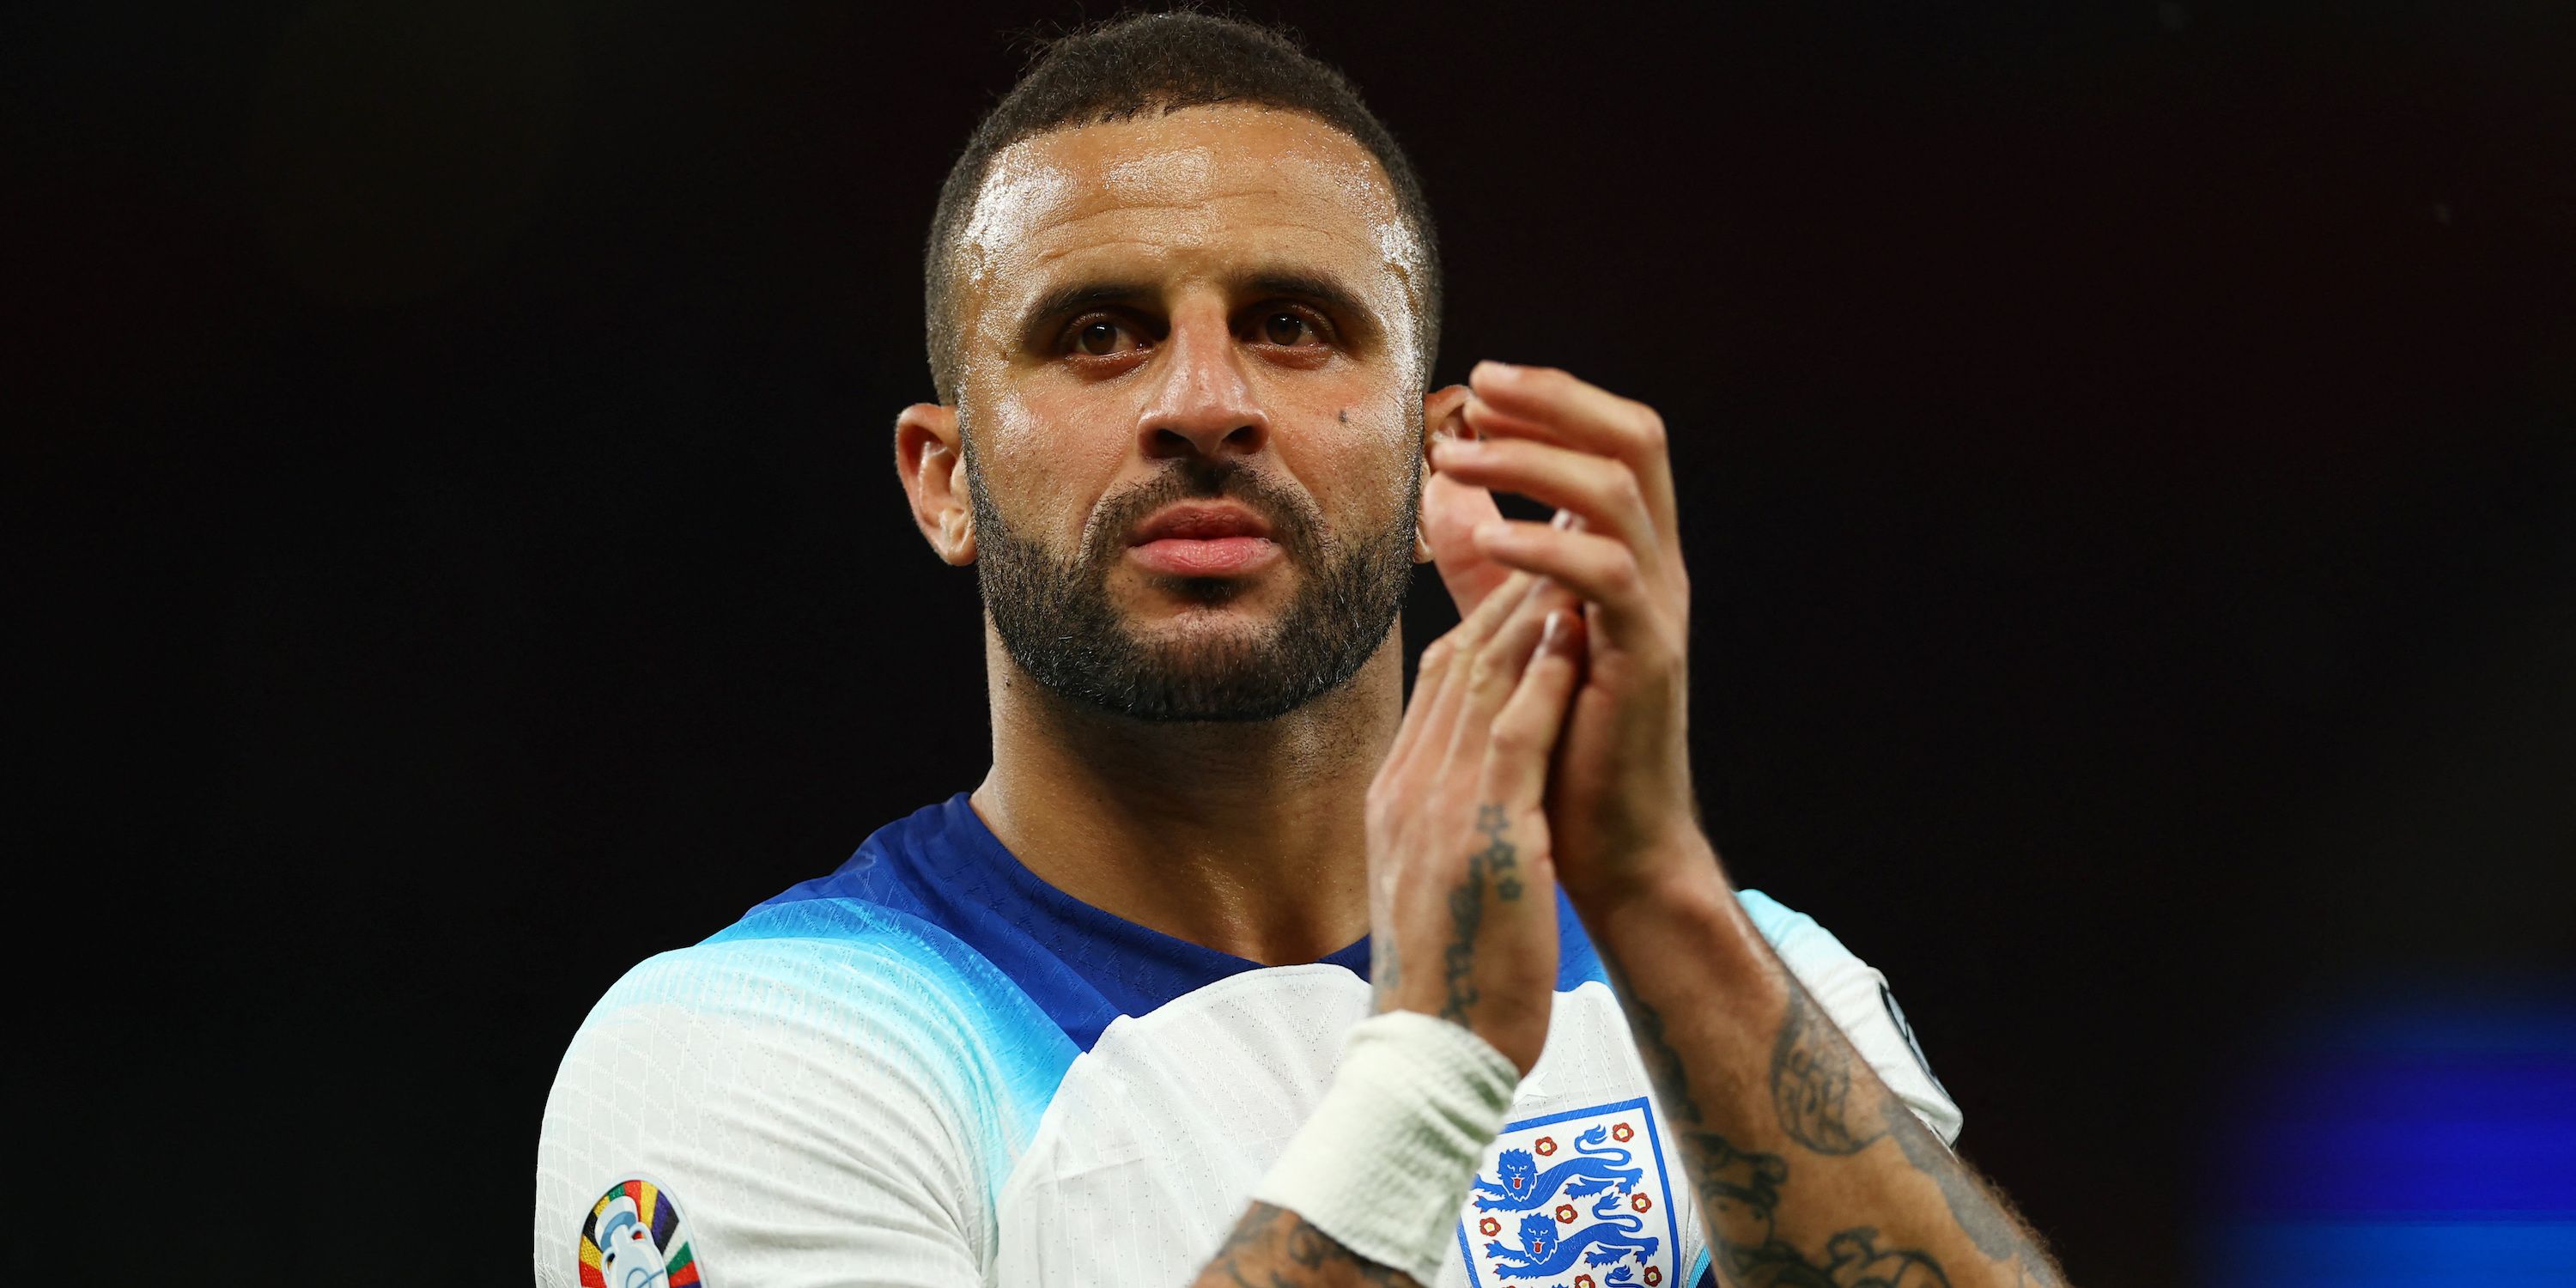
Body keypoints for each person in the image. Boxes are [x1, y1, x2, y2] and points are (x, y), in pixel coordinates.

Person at [535, 13, 2068, 1288]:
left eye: (1291, 324)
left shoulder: (1754, 980)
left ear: (1438, 462)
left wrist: (1659, 891)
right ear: (947, 480)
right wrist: (1433, 1071)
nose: (1203, 399)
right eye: (1098, 333)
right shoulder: (751, 1057)